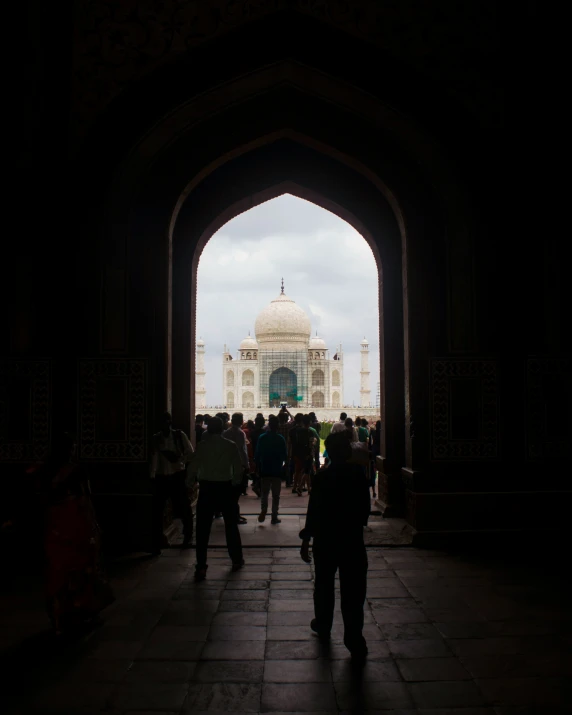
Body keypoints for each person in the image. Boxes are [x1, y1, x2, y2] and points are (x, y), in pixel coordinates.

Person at [300, 431, 370, 661]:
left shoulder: (322, 477)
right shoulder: (358, 475)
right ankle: (354, 638)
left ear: (329, 451)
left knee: (323, 585)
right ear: (349, 452)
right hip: (351, 540)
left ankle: (323, 623)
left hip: (326, 539)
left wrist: (306, 538)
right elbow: (364, 510)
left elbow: (314, 511)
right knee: (353, 590)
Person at [34, 433, 113, 637]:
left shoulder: (44, 470)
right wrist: (94, 525)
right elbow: (85, 497)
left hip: (53, 524)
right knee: (80, 568)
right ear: (70, 449)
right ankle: (79, 613)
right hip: (75, 522)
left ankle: (59, 617)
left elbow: (40, 498)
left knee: (58, 570)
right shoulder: (76, 471)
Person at [189, 417, 245, 580]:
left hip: (207, 488)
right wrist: (234, 484)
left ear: (208, 429)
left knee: (202, 529)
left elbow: (193, 467)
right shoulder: (230, 446)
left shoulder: (202, 446)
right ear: (222, 429)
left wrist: (189, 482)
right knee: (231, 526)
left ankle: (201, 566)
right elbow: (238, 469)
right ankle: (236, 559)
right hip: (225, 488)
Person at [150, 411, 194, 553]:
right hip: (161, 477)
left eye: (166, 421)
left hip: (176, 475)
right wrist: (152, 476)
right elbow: (153, 460)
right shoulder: (155, 439)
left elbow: (190, 453)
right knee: (157, 511)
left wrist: (179, 460)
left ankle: (187, 535)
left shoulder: (179, 436)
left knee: (183, 507)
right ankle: (156, 541)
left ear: (170, 422)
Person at [255, 415, 288, 524]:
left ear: (268, 425)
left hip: (265, 468)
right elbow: (285, 455)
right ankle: (274, 515)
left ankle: (264, 509)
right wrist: (285, 466)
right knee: (276, 495)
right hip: (276, 469)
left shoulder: (262, 437)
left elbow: (258, 454)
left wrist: (257, 466)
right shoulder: (280, 438)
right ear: (277, 426)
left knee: (264, 493)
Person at [223, 413, 249, 524]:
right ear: (241, 421)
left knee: (230, 492)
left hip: (228, 465)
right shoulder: (240, 433)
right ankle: (234, 515)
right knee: (236, 492)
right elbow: (243, 450)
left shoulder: (225, 433)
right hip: (238, 465)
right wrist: (247, 465)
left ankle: (234, 514)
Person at [292, 414, 318, 496]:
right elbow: (311, 444)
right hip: (307, 454)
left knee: (301, 471)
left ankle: (308, 488)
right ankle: (300, 487)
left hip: (298, 453)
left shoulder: (298, 431)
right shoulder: (310, 432)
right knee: (306, 471)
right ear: (310, 422)